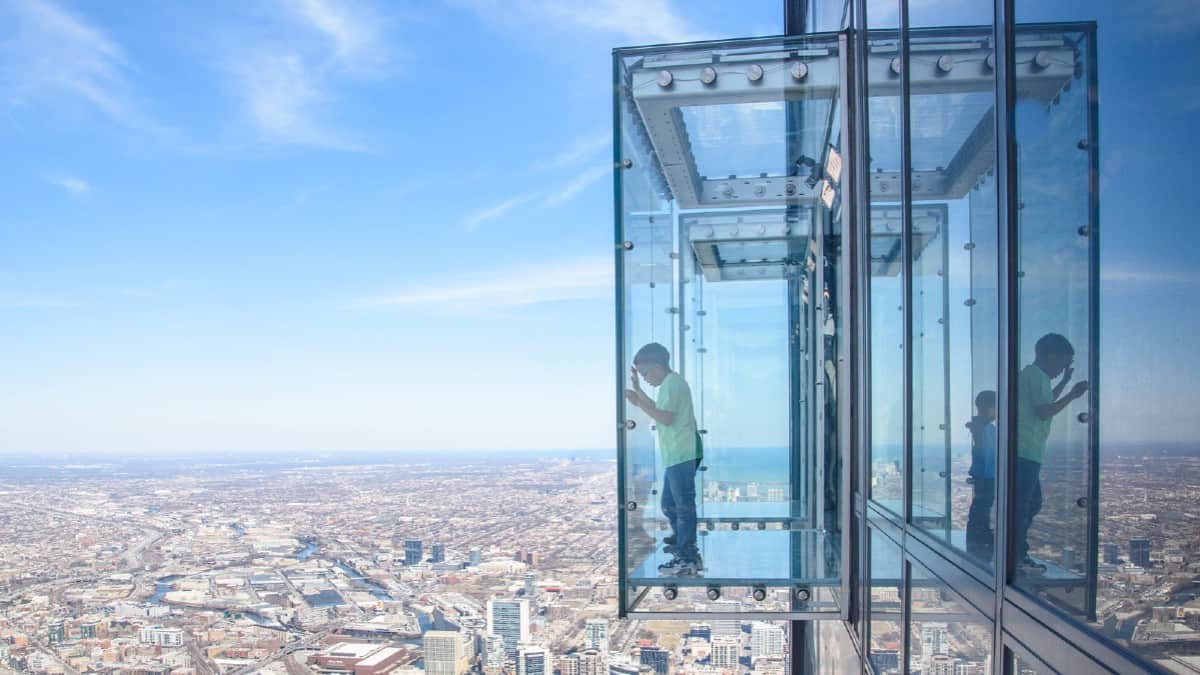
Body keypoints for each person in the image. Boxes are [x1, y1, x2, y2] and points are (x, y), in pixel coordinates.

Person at [624, 342, 703, 576]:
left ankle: (687, 557)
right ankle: (681, 540)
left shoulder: (672, 384)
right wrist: (639, 391)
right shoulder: (671, 384)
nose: (647, 378)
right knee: (669, 503)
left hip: (682, 453)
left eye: (646, 373)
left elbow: (664, 417)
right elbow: (660, 409)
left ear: (658, 367)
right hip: (679, 454)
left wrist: (639, 401)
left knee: (682, 505)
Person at [1014, 333, 1089, 576]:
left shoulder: (1031, 375)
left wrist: (1065, 382)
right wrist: (1073, 395)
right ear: (1051, 356)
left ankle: (1015, 552)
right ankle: (1016, 556)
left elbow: (1044, 401)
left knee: (1029, 503)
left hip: (1024, 451)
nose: (1063, 368)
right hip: (1026, 451)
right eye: (1063, 363)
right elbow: (1045, 410)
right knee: (1025, 505)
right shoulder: (1036, 376)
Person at [965, 390, 997, 562]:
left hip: (987, 474)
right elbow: (984, 450)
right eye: (995, 407)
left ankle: (980, 534)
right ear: (985, 407)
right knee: (982, 506)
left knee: (983, 505)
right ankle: (978, 536)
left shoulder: (988, 427)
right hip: (986, 475)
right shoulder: (981, 426)